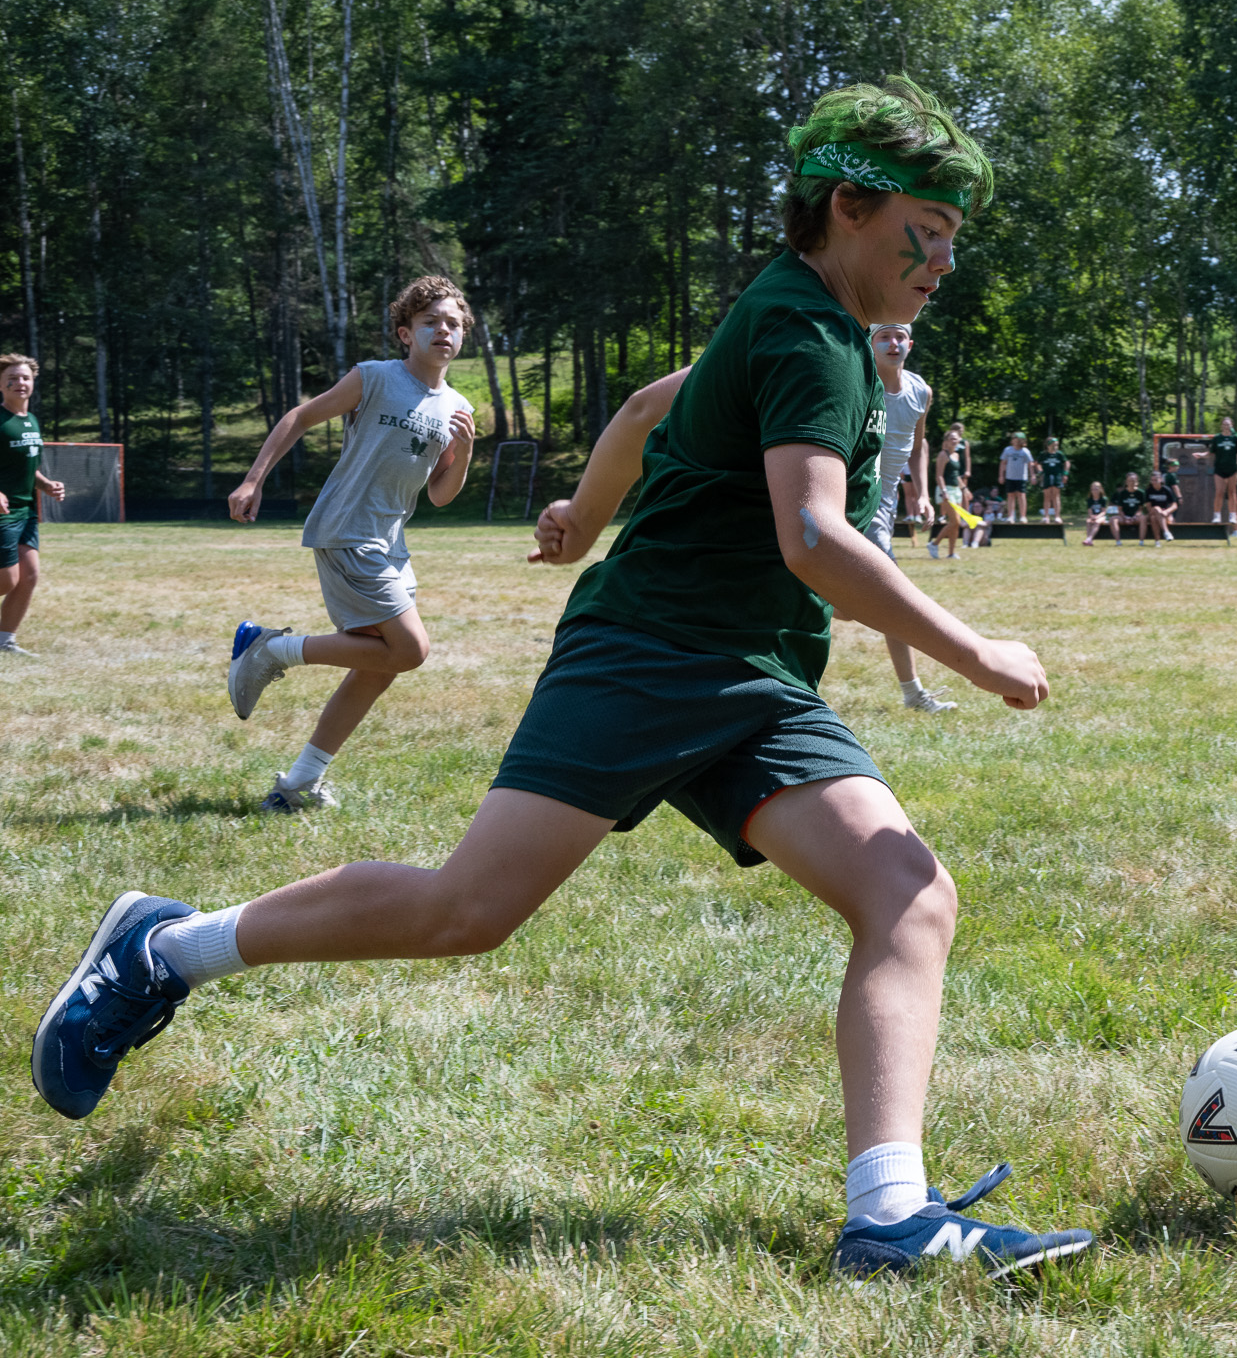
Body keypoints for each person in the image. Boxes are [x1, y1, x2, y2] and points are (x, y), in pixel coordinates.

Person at [33, 76, 1092, 1281]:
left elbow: (646, 408)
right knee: (465, 912)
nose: (944, 263)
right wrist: (977, 653)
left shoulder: (799, 319)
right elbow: (812, 535)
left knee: (906, 894)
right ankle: (162, 951)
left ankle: (889, 1218)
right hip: (648, 660)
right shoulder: (807, 333)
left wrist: (584, 518)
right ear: (849, 207)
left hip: (750, 680)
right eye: (930, 232)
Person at [221, 276, 479, 812]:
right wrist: (252, 480)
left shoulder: (458, 407)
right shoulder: (375, 377)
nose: (444, 330)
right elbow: (299, 417)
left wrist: (465, 452)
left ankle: (299, 784)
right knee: (410, 650)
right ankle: (270, 649)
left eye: (453, 323)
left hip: (391, 544)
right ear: (405, 333)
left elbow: (440, 494)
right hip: (348, 530)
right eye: (430, 321)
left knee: (380, 667)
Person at [867, 323, 955, 712]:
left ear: (911, 344)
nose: (893, 343)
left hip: (885, 504)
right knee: (892, 595)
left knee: (863, 600)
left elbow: (919, 446)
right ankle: (913, 693)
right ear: (870, 344)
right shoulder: (859, 383)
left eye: (900, 337)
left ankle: (912, 693)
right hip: (857, 500)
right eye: (884, 337)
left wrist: (921, 493)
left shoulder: (921, 391)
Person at [0, 353, 66, 657]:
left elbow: (28, 468)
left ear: (33, 382)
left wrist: (46, 484)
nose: (19, 383)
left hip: (25, 512)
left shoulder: (31, 421)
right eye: (11, 378)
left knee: (29, 576)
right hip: (3, 514)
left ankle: (4, 642)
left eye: (25, 377)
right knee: (6, 581)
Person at [1204, 414, 1237, 535]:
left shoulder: (1235, 438)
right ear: (1221, 426)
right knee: (1219, 492)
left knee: (1232, 492)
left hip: (1232, 469)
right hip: (1219, 469)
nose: (1226, 426)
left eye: (1228, 424)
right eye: (1224, 424)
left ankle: (1232, 515)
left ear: (1231, 425)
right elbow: (1211, 452)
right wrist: (1202, 455)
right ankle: (1217, 515)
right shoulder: (1217, 438)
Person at [928, 432, 966, 560]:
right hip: (946, 490)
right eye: (951, 439)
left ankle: (951, 553)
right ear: (946, 441)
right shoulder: (943, 455)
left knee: (955, 524)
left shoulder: (957, 455)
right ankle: (934, 544)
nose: (954, 441)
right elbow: (939, 475)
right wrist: (944, 491)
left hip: (956, 490)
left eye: (956, 439)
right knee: (955, 521)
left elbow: (956, 475)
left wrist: (964, 489)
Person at [997, 431, 1036, 523]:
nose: (1016, 441)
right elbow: (1003, 463)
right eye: (1014, 438)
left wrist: (1033, 475)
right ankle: (1010, 516)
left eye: (1018, 439)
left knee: (1021, 496)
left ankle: (1023, 516)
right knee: (1010, 496)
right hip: (1010, 477)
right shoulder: (1007, 450)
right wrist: (1001, 476)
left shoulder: (1025, 451)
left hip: (1021, 477)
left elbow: (1030, 464)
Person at [1038, 437, 1068, 523]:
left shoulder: (1059, 454)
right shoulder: (1043, 454)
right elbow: (1038, 464)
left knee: (1056, 496)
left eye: (1056, 445)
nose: (1055, 447)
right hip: (1046, 476)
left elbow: (1066, 463)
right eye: (1053, 445)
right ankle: (1046, 516)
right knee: (1047, 496)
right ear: (1048, 445)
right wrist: (1040, 472)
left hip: (1057, 476)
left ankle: (1057, 516)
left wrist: (1065, 474)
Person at [1141, 471, 1175, 545]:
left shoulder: (1166, 489)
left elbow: (1174, 505)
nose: (1154, 482)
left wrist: (1167, 511)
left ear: (1160, 480)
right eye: (1152, 480)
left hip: (1164, 514)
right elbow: (1149, 507)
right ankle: (1166, 532)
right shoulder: (1148, 491)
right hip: (1152, 511)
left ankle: (1157, 542)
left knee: (1154, 518)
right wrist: (1158, 511)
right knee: (1156, 508)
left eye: (1156, 480)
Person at [1113, 472, 1147, 546]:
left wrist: (1135, 516)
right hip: (1124, 517)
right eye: (1130, 481)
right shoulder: (1122, 493)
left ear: (1137, 482)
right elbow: (1120, 509)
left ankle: (1141, 542)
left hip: (1136, 517)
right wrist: (1125, 517)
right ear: (1126, 482)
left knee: (1143, 518)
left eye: (1134, 480)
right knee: (1113, 519)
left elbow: (1140, 509)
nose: (1132, 482)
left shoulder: (1141, 493)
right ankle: (1118, 542)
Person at [1080, 480, 1118, 545]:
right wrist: (1092, 516)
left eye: (1096, 489)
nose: (1094, 491)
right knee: (1088, 521)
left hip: (1102, 516)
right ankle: (1089, 540)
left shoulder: (1103, 499)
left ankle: (1089, 539)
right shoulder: (1089, 500)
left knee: (1097, 522)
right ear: (1091, 490)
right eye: (1093, 489)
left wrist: (1097, 517)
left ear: (1100, 490)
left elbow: (1104, 511)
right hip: (1093, 516)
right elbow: (1089, 511)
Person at [1158, 456, 1181, 538]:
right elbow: (1175, 487)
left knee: (1170, 514)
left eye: (1177, 465)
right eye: (1175, 465)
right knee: (1171, 515)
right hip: (1172, 499)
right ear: (1170, 466)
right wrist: (1179, 497)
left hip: (1168, 498)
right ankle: (1169, 532)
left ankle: (1167, 531)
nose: (1177, 467)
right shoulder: (1171, 475)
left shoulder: (1167, 475)